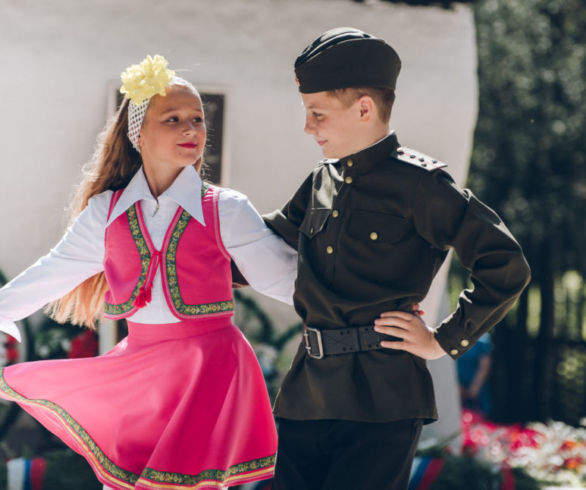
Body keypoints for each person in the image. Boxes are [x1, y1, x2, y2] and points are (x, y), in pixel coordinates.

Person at [0, 55, 297, 490]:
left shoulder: (226, 209)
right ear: (138, 134)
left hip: (207, 370)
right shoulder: (106, 212)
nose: (191, 129)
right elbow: (55, 271)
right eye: (172, 119)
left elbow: (284, 279)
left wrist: (362, 309)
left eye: (197, 119)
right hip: (139, 374)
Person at [263, 28, 532, 490]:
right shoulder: (319, 182)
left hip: (381, 397)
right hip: (307, 395)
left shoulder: (422, 185)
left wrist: (443, 340)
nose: (308, 127)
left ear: (364, 108)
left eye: (318, 114)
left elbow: (505, 264)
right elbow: (264, 245)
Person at [458, 332, 493, 416]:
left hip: (476, 388)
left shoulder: (482, 340)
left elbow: (485, 366)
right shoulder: (453, 337)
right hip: (458, 389)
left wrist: (474, 388)